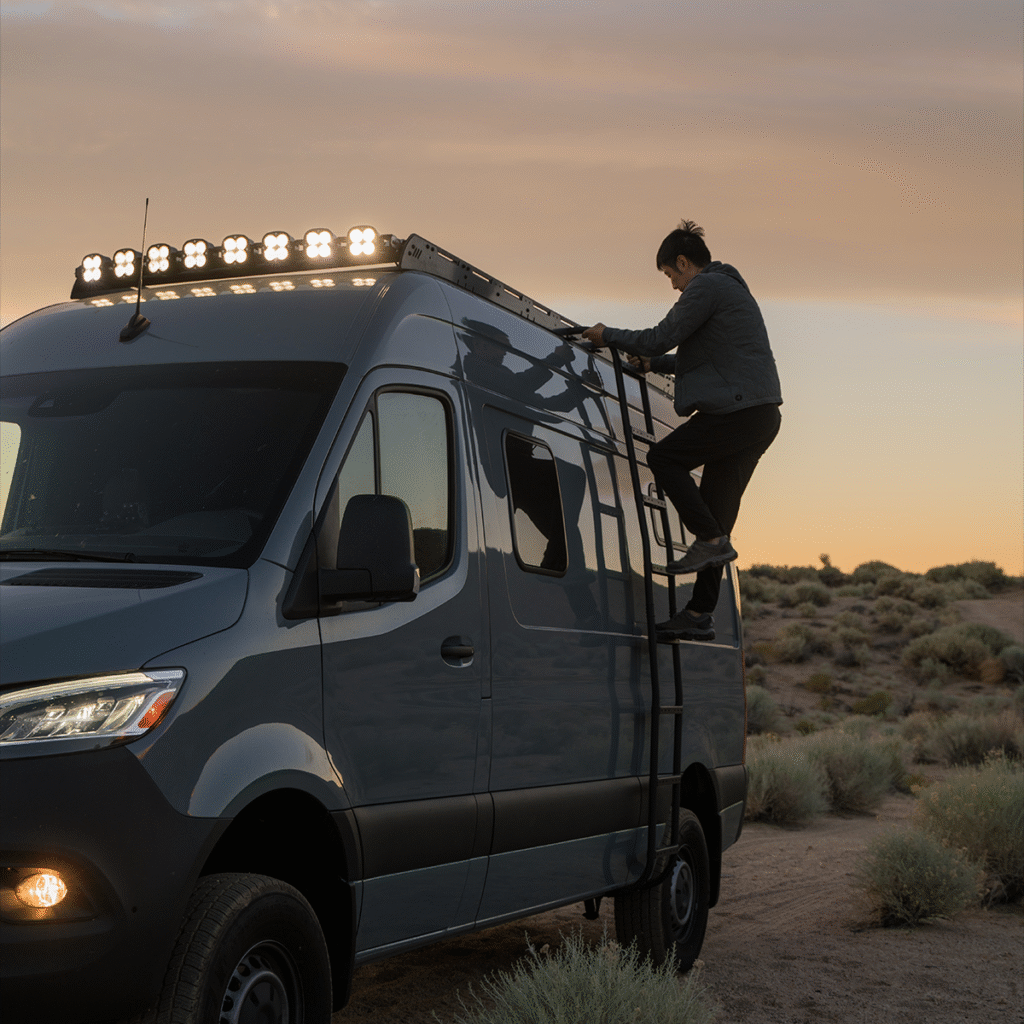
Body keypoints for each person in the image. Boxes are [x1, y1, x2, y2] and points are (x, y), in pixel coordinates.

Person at [582, 220, 781, 642]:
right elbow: (703, 358)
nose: (673, 285)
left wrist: (608, 336)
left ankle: (707, 539)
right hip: (758, 416)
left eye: (671, 274)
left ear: (684, 262)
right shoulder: (730, 290)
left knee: (664, 458)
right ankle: (699, 613)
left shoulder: (706, 287)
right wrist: (653, 365)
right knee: (717, 517)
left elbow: (660, 337)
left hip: (737, 412)